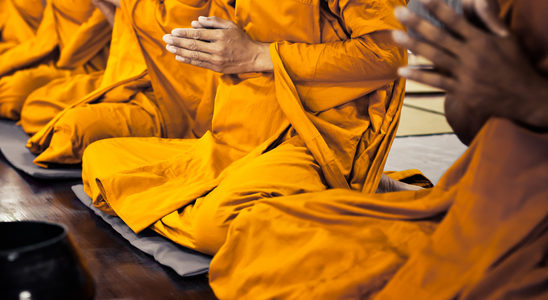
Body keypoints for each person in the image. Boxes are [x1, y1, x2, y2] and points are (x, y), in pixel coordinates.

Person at [208, 0, 548, 298]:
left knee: (225, 224)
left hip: (326, 129)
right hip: (479, 200)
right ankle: (371, 189)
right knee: (261, 233)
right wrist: (471, 84)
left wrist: (533, 101)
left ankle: (354, 182)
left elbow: (383, 56)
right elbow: (469, 123)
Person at [81, 0, 408, 255]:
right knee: (99, 157)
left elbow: (388, 55)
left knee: (217, 224)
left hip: (310, 135)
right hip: (237, 131)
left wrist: (256, 56)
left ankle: (353, 192)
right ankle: (332, 195)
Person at [20, 0, 221, 165]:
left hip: (171, 101)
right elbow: (121, 30)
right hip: (122, 79)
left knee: (72, 130)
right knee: (35, 107)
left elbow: (176, 36)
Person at [0, 0, 110, 120]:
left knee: (13, 97)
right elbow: (46, 28)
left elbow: (92, 37)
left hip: (96, 65)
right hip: (48, 50)